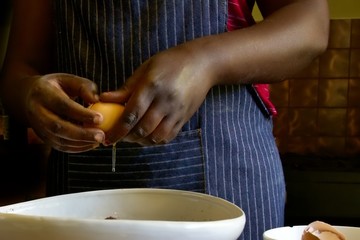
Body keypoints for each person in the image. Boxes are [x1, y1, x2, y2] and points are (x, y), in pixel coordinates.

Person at [0, 0, 329, 239]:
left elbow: (310, 24)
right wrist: (30, 94)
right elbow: (20, 68)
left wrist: (204, 61)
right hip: (83, 191)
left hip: (229, 176)